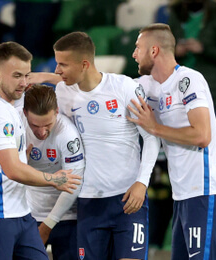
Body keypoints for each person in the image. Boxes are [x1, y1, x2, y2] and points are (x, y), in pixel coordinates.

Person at [0, 41, 80, 260]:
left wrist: (44, 77)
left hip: (21, 212)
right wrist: (53, 179)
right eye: (17, 75)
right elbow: (12, 170)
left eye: (27, 75)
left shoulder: (12, 104)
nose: (23, 83)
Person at [130, 23, 216, 260]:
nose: (134, 54)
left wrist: (154, 127)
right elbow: (103, 86)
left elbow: (201, 135)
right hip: (182, 197)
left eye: (138, 47)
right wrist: (54, 77)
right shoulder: (148, 85)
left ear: (154, 51)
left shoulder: (189, 79)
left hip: (206, 193)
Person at [54, 32, 159, 260]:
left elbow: (151, 137)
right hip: (88, 202)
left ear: (84, 64)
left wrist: (142, 182)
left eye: (63, 64)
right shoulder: (62, 93)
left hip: (128, 200)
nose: (57, 70)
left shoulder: (123, 87)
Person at [23, 85, 85, 260]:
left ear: (57, 112)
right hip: (29, 215)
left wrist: (47, 226)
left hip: (67, 216)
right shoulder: (16, 126)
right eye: (35, 125)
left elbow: (74, 183)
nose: (42, 132)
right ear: (25, 113)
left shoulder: (68, 135)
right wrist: (22, 166)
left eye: (48, 124)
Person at [168, 0, 216, 107]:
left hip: (210, 84)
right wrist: (174, 51)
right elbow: (164, 47)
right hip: (179, 83)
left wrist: (203, 49)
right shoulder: (176, 14)